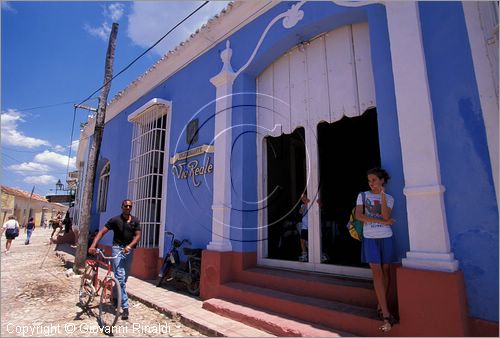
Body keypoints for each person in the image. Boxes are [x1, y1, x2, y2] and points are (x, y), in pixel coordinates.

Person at [354, 167, 396, 332]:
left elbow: (386, 216)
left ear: (382, 181)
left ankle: (381, 303)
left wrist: (383, 196)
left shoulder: (390, 198)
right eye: (369, 181)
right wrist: (384, 222)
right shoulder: (363, 196)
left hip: (386, 237)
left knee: (386, 271)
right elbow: (359, 216)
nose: (371, 184)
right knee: (377, 272)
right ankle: (386, 313)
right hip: (370, 238)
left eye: (374, 180)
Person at [88, 199, 141, 320]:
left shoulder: (135, 221)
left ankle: (115, 296)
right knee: (121, 277)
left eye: (130, 206)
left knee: (124, 277)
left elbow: (138, 236)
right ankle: (125, 307)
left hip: (129, 250)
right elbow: (102, 232)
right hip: (117, 248)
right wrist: (93, 245)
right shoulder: (115, 220)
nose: (128, 208)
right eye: (126, 206)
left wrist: (129, 246)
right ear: (122, 207)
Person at [298, 193, 310, 262]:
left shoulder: (311, 204)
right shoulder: (303, 205)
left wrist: (308, 202)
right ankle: (304, 255)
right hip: (304, 226)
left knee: (309, 242)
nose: (303, 198)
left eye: (304, 197)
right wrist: (306, 203)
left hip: (311, 227)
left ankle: (317, 253)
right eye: (302, 198)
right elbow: (300, 211)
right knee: (302, 241)